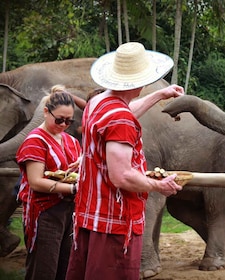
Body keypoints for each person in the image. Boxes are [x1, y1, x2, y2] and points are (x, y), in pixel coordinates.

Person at [65, 42, 184, 280]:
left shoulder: (97, 104)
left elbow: (125, 112)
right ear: (140, 81)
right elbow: (121, 176)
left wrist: (160, 94)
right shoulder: (121, 119)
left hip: (91, 214)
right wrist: (158, 186)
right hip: (115, 221)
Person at [16, 85, 82, 280]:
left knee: (65, 269)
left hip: (68, 210)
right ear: (46, 112)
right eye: (59, 119)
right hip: (44, 212)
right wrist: (73, 188)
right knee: (43, 270)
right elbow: (36, 182)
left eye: (68, 121)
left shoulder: (70, 141)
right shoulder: (35, 141)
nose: (63, 124)